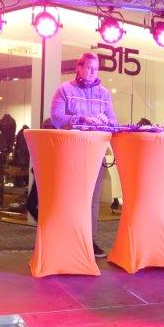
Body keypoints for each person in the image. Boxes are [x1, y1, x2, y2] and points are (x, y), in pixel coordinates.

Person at [50, 52, 118, 258]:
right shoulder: (64, 89)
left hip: (96, 152)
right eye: (89, 68)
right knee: (69, 196)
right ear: (78, 68)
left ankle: (89, 240)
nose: (92, 72)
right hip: (71, 153)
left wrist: (106, 122)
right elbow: (56, 118)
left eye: (95, 69)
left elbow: (114, 121)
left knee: (93, 199)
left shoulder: (104, 93)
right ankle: (67, 240)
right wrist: (82, 119)